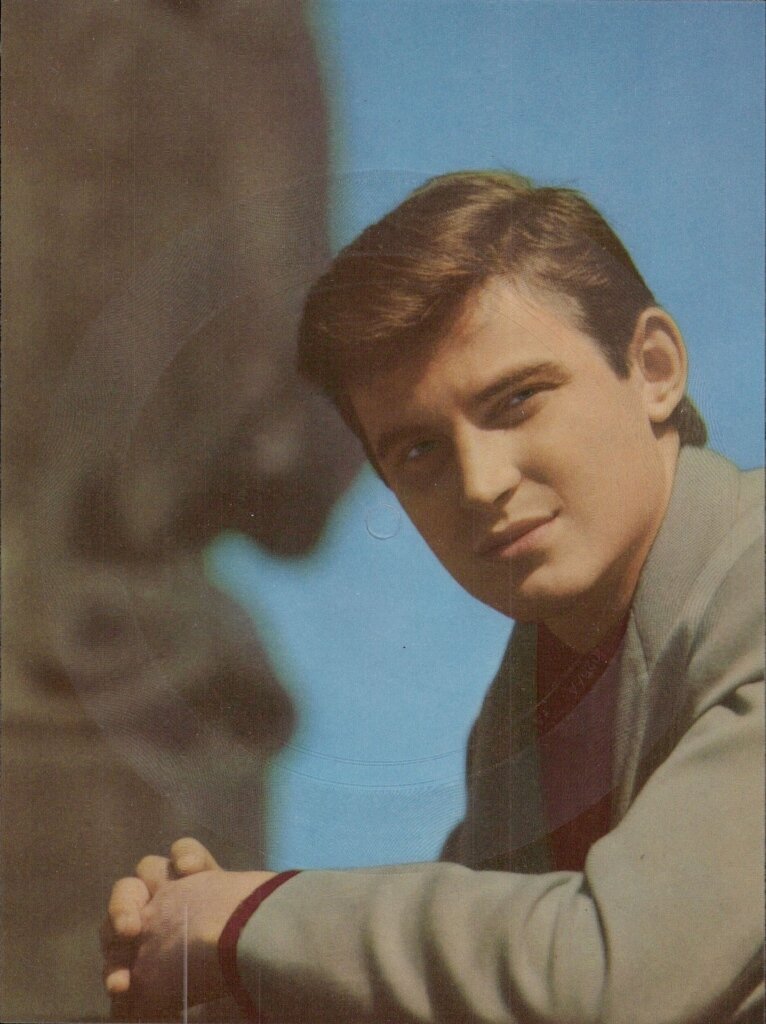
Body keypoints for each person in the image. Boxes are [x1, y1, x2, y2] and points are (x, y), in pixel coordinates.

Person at [102, 172, 764, 1023]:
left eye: (516, 401)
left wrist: (247, 921)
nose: (481, 484)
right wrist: (231, 976)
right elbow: (472, 984)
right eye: (418, 452)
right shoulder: (533, 694)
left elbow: (616, 975)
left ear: (654, 369)